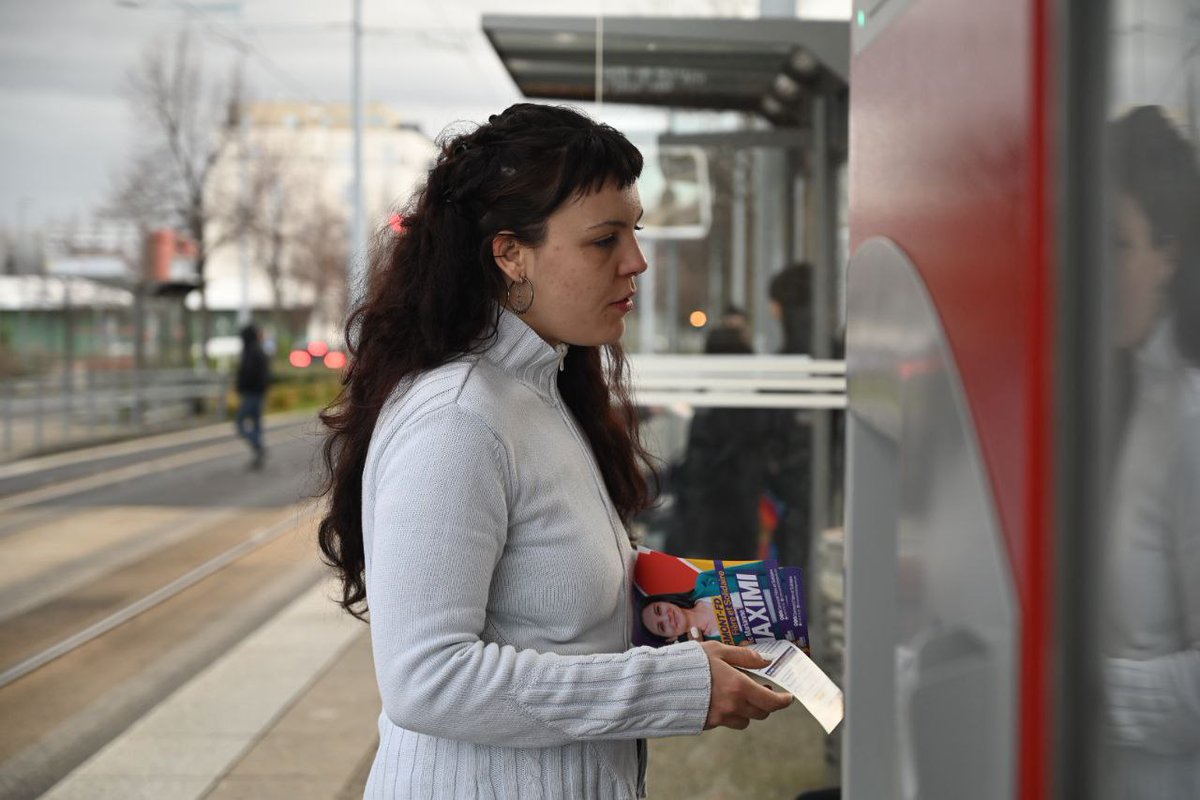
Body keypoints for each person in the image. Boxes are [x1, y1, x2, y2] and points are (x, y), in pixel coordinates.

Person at [315, 103, 792, 800]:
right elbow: (427, 679)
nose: (637, 261)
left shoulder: (540, 389)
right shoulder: (459, 421)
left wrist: (733, 605)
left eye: (635, 231)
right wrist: (674, 686)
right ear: (509, 253)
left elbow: (557, 587)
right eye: (605, 239)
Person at [1101, 105, 1200, 799]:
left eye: (1116, 244)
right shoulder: (1118, 391)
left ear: (1169, 253)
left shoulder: (1190, 419)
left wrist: (1064, 684)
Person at [234, 323, 269, 470]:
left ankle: (258, 446)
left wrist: (242, 386)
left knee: (241, 423)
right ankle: (257, 456)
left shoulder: (251, 352)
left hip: (251, 393)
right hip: (258, 393)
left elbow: (248, 374)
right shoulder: (259, 351)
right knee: (256, 424)